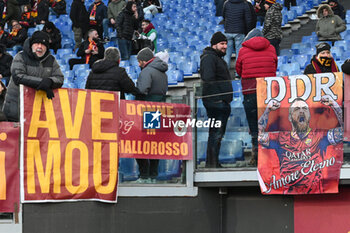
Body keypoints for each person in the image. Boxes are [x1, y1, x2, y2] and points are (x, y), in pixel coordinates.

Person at [258, 97, 343, 194]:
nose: (301, 111)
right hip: (288, 196)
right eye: (297, 109)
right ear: (290, 117)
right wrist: (267, 110)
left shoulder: (319, 136)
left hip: (317, 196)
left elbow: (345, 132)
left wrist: (334, 105)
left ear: (309, 116)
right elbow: (259, 136)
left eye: (305, 109)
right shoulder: (280, 137)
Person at [235, 28, 277, 166]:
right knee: (269, 124)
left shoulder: (243, 50)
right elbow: (274, 66)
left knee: (254, 126)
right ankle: (270, 156)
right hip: (268, 91)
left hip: (250, 91)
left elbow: (238, 70)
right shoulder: (271, 48)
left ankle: (256, 157)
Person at [2, 31, 64, 122]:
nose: (40, 47)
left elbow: (59, 78)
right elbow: (18, 77)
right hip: (16, 108)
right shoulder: (20, 57)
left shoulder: (51, 60)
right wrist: (42, 82)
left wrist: (50, 81)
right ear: (31, 45)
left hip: (38, 111)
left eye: (43, 44)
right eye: (37, 43)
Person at [200, 32, 233, 168]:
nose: (225, 46)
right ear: (214, 45)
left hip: (220, 102)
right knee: (216, 134)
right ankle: (212, 164)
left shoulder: (217, 58)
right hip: (215, 102)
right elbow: (208, 79)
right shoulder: (209, 58)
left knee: (217, 134)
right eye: (222, 44)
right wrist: (218, 99)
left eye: (226, 43)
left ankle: (213, 162)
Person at [135, 47, 168, 182]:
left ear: (144, 61)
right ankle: (153, 175)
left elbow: (143, 89)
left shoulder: (147, 71)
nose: (138, 64)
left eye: (139, 61)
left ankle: (144, 175)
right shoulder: (163, 72)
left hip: (146, 110)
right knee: (155, 143)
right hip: (160, 109)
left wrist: (135, 90)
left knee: (140, 142)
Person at [222, 0, 252, 69]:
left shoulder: (226, 3)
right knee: (239, 54)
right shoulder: (244, 4)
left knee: (227, 54)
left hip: (228, 31)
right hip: (239, 31)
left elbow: (224, 16)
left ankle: (226, 74)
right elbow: (248, 19)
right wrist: (248, 31)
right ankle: (238, 74)